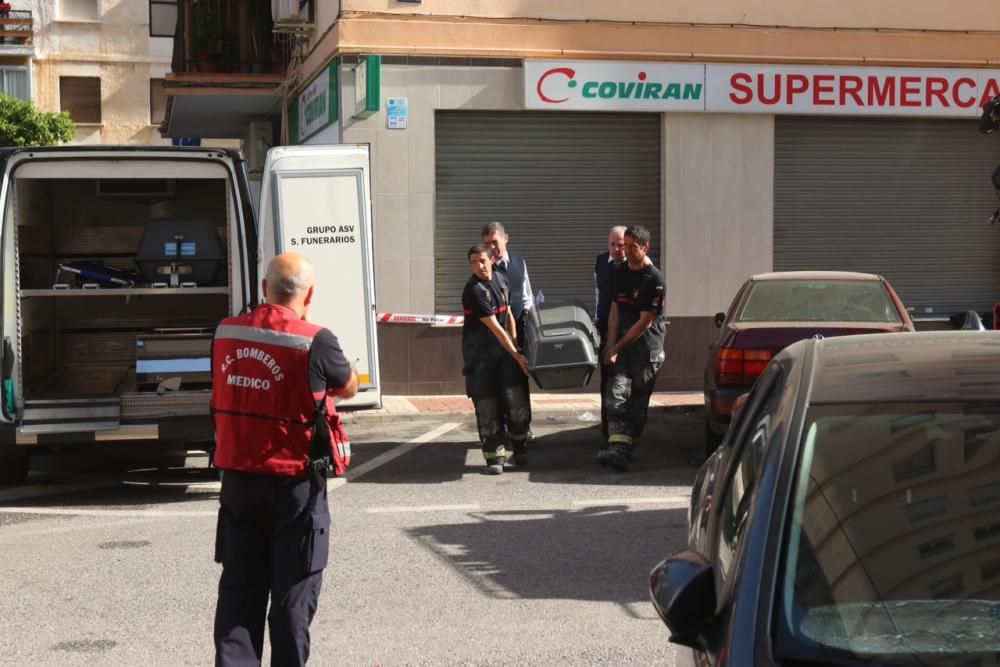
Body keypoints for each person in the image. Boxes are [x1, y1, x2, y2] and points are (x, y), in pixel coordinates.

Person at [210, 252, 358, 666]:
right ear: (310, 295)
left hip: (239, 480)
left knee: (240, 591)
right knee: (293, 595)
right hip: (294, 486)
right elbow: (348, 386)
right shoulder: (316, 339)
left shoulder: (225, 332)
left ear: (264, 289)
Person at [600, 225, 667, 472]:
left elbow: (644, 322)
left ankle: (625, 447)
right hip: (622, 344)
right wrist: (610, 346)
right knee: (616, 395)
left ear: (645, 248)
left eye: (632, 247)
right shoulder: (619, 271)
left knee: (638, 402)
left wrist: (617, 345)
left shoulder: (655, 279)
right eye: (624, 246)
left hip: (646, 345)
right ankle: (617, 448)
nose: (625, 251)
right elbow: (615, 311)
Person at [462, 243, 531, 474]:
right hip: (482, 357)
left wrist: (516, 348)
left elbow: (509, 314)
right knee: (487, 405)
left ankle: (519, 445)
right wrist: (516, 353)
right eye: (474, 262)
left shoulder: (501, 279)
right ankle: (495, 456)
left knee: (516, 400)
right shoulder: (473, 290)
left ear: (491, 259)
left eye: (482, 260)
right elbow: (495, 329)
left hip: (506, 351)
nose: (479, 266)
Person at [481, 221, 535, 440]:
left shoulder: (519, 263)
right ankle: (502, 428)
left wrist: (531, 329)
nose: (492, 248)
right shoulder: (485, 267)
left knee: (519, 380)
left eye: (495, 242)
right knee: (498, 383)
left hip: (518, 331)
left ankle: (523, 427)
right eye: (487, 244)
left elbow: (527, 297)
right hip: (494, 334)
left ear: (506, 239)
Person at [593, 225, 627, 442]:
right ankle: (607, 429)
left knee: (623, 383)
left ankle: (623, 431)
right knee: (606, 381)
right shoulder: (600, 262)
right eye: (613, 245)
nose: (616, 250)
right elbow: (598, 293)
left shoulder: (636, 265)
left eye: (621, 245)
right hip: (605, 328)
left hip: (629, 331)